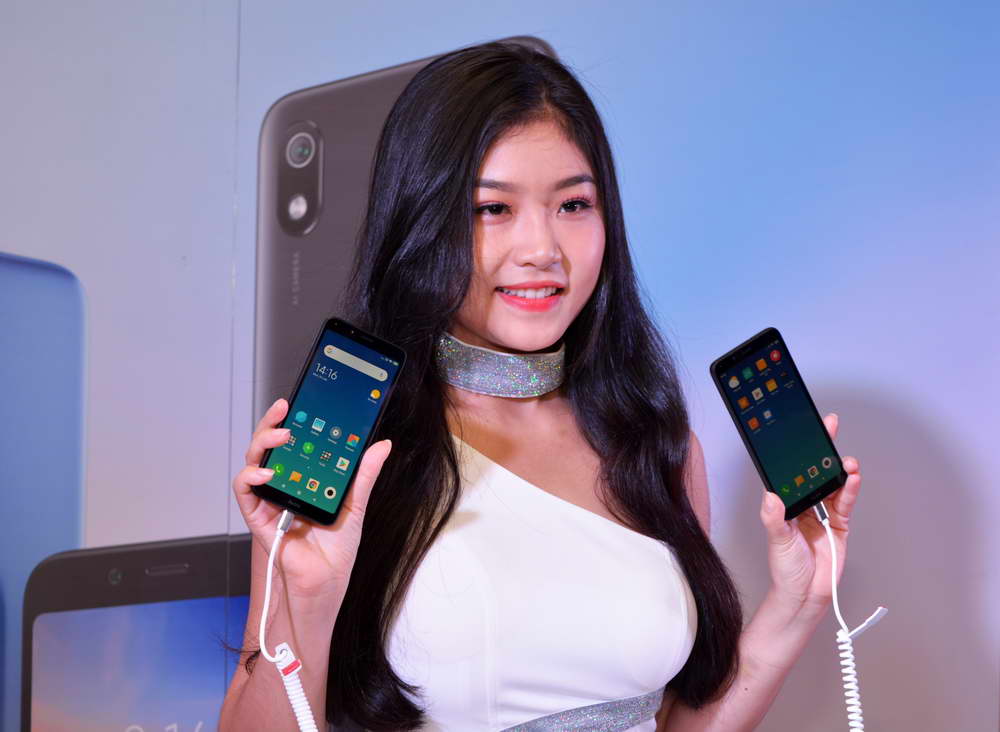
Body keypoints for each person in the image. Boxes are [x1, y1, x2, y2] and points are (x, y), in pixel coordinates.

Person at [220, 41, 863, 732]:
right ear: (421, 219)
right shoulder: (349, 452)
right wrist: (302, 607)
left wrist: (798, 603)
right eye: (492, 209)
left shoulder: (654, 446)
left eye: (574, 204)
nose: (543, 250)